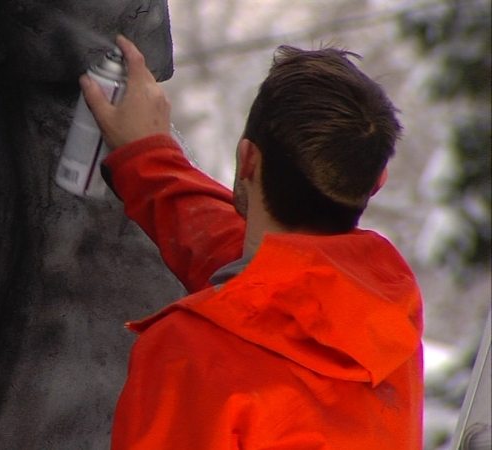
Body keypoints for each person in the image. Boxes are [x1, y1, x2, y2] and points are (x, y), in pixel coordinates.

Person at [80, 36, 424, 449]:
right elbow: (247, 265)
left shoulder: (192, 355)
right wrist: (146, 157)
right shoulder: (386, 321)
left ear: (247, 159)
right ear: (378, 183)